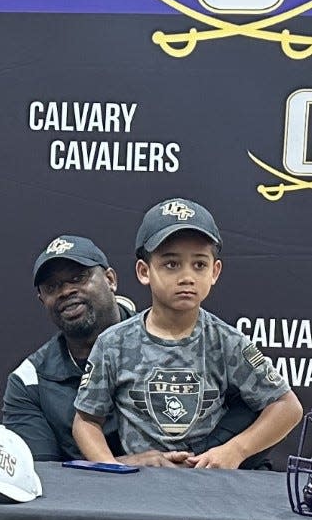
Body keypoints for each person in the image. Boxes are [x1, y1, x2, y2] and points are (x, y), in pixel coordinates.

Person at [3, 233, 273, 467]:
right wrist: (122, 466)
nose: (67, 291)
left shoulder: (200, 339)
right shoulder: (28, 381)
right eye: (53, 287)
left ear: (110, 279)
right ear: (42, 300)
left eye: (79, 277)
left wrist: (212, 452)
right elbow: (44, 476)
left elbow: (272, 408)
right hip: (103, 509)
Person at [72, 197, 302, 468]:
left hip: (208, 488)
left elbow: (288, 408)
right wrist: (111, 467)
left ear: (215, 272)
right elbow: (86, 421)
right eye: (171, 264)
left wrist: (235, 450)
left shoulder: (227, 341)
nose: (187, 277)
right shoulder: (113, 343)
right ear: (144, 271)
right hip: (136, 490)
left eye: (199, 265)